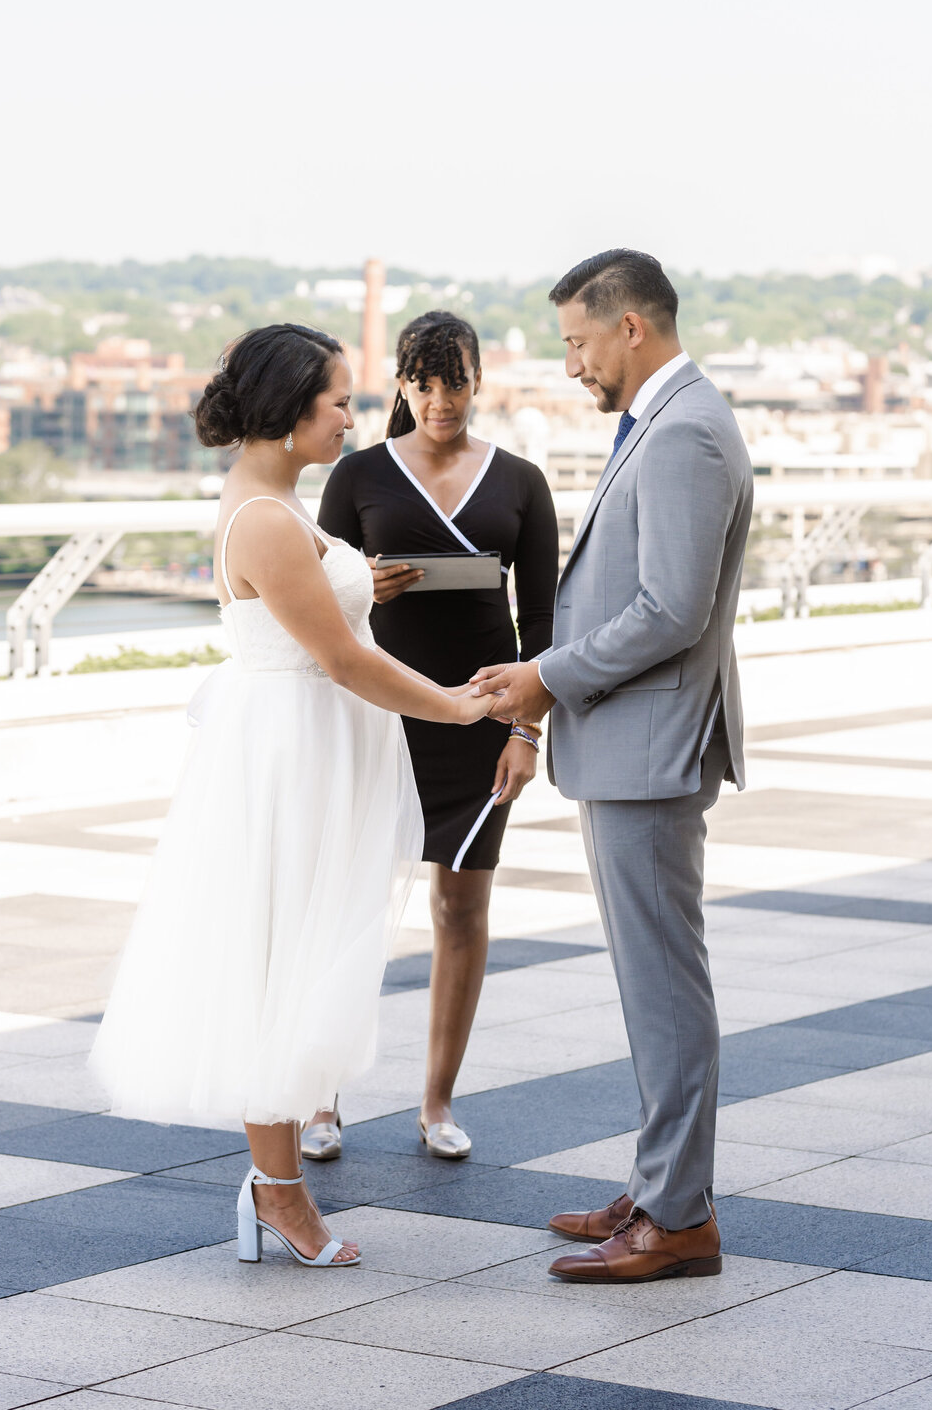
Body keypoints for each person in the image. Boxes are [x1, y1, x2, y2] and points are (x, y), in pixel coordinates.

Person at [91, 324, 490, 1271]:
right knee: (277, 960)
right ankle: (276, 1191)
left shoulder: (276, 503)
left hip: (301, 745)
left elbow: (332, 624)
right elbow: (342, 659)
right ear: (287, 407)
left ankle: (276, 1186)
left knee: (293, 956)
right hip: (289, 756)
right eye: (340, 400)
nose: (354, 415)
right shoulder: (266, 518)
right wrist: (458, 708)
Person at [472, 250, 753, 1284]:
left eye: (579, 344)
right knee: (652, 985)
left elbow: (670, 612)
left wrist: (546, 676)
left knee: (665, 986)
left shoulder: (683, 431)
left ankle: (679, 1220)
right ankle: (663, 1184)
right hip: (632, 745)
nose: (573, 366)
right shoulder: (666, 423)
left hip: (649, 750)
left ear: (631, 327)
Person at [306, 309, 558, 1160]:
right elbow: (316, 614)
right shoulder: (358, 477)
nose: (440, 398)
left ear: (480, 381)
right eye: (424, 381)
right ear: (403, 385)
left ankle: (438, 1103)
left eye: (455, 380)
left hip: (482, 721)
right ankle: (320, 1098)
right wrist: (360, 588)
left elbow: (545, 626)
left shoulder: (521, 481)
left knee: (461, 906)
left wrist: (528, 733)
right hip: (378, 717)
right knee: (347, 905)